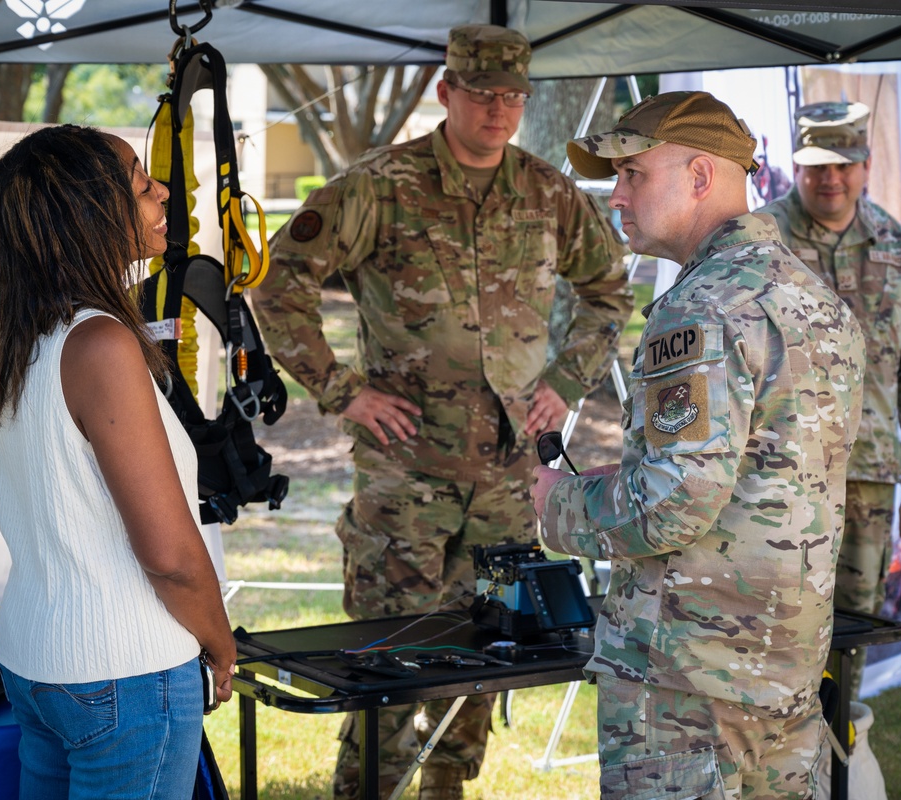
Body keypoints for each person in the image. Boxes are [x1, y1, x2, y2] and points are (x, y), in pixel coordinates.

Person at [251, 24, 632, 800]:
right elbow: (278, 280)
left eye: (514, 96)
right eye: (483, 93)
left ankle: (447, 788)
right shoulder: (380, 185)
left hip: (507, 473)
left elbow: (608, 289)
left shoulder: (545, 190)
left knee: (493, 644)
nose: (499, 110)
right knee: (388, 649)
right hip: (406, 473)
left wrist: (567, 378)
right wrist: (342, 388)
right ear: (446, 92)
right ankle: (370, 789)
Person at [532, 90, 866, 799]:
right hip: (785, 666)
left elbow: (674, 502)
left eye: (633, 175)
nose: (616, 196)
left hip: (687, 684)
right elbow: (768, 476)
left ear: (700, 176)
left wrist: (560, 504)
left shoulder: (702, 305)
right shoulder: (815, 298)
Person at [0, 124, 237, 799]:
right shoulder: (100, 344)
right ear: (91, 216)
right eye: (143, 185)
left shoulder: (22, 336)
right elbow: (168, 552)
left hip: (40, 666)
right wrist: (220, 641)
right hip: (125, 672)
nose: (163, 193)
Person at [761, 101, 901, 701]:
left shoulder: (893, 241)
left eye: (844, 165)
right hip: (781, 476)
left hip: (869, 471)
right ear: (797, 167)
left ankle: (840, 743)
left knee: (855, 617)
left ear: (867, 166)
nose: (831, 179)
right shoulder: (761, 239)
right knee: (779, 617)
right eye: (817, 166)